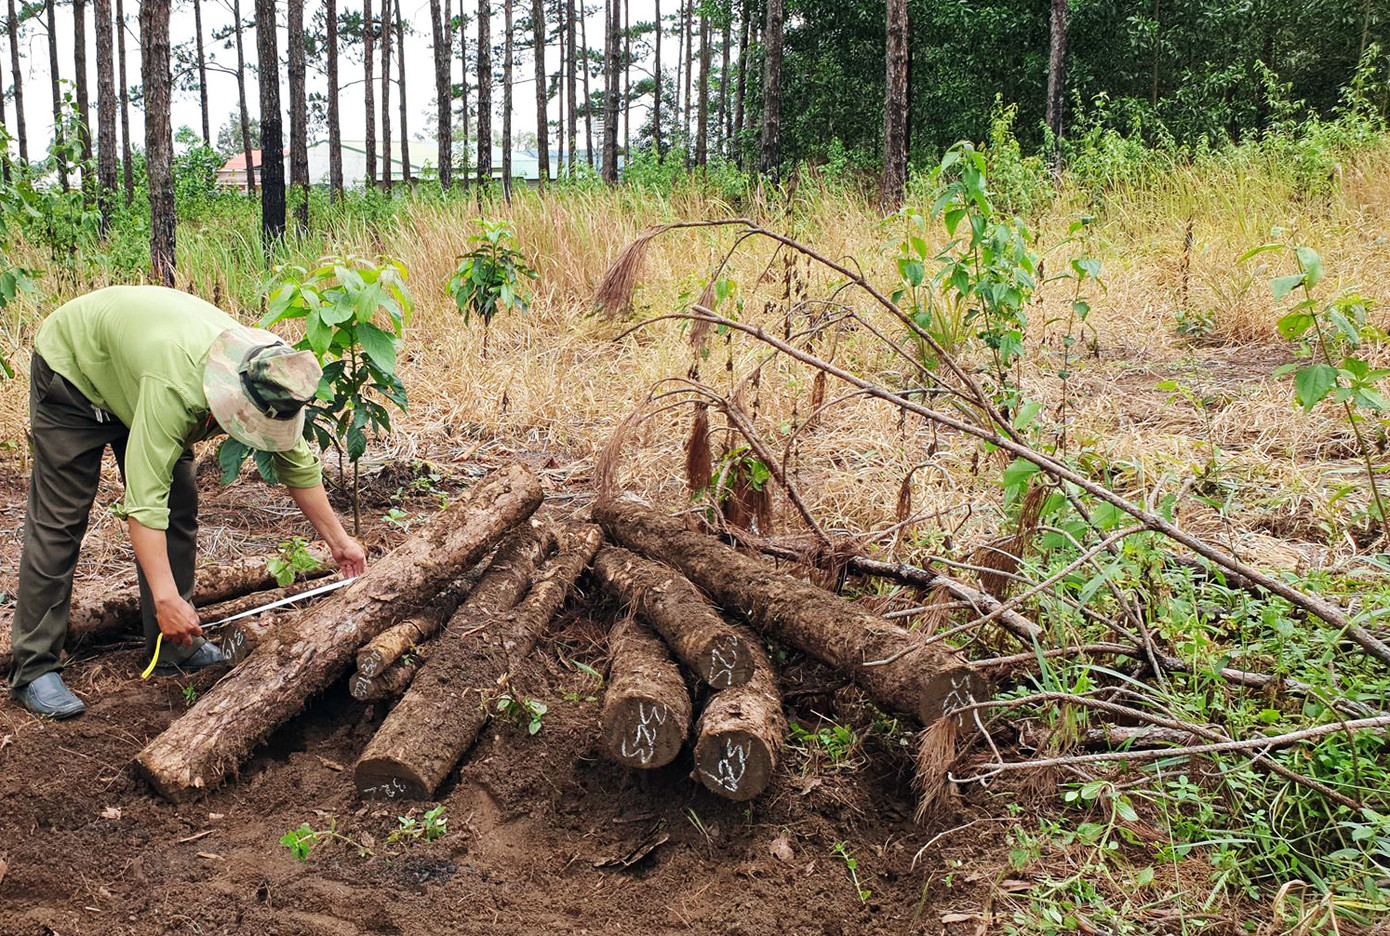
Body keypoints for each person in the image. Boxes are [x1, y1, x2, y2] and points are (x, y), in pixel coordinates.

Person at [9, 285, 367, 719]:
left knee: (180, 505)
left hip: (138, 368)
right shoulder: (178, 391)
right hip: (76, 372)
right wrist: (165, 597)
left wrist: (340, 542)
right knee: (61, 519)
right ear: (229, 400)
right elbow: (143, 505)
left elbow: (299, 467)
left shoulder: (274, 377)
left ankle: (174, 648)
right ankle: (34, 668)